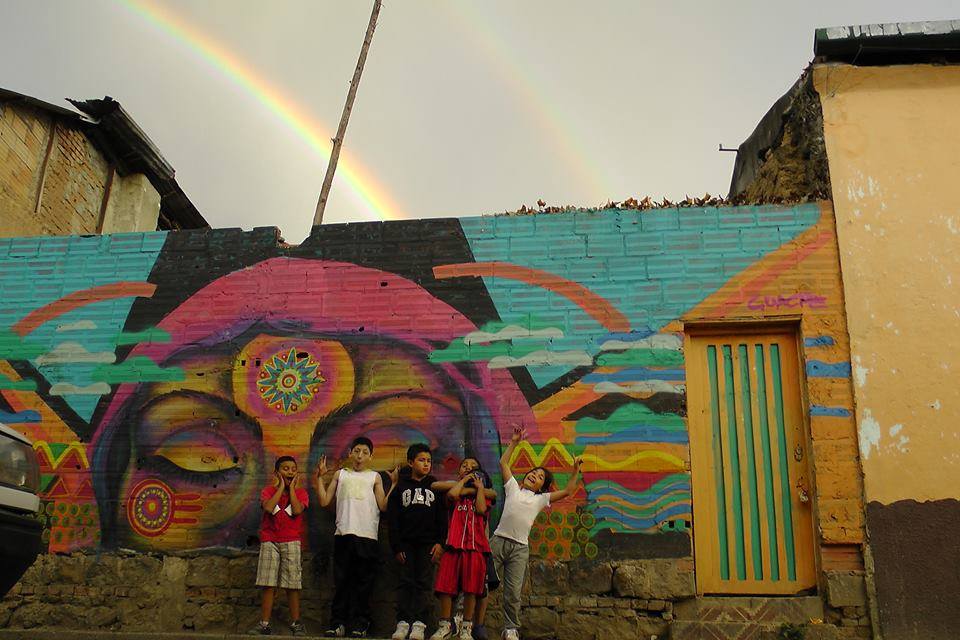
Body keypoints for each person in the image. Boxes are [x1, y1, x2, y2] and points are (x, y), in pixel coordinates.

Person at [491, 427, 582, 640]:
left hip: (519, 549)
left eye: (540, 476)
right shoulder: (513, 488)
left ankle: (510, 628)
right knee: (480, 581)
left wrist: (575, 470)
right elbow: (504, 463)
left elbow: (568, 491)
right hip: (498, 541)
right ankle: (466, 621)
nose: (535, 475)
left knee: (513, 592)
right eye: (533, 472)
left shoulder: (541, 499)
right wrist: (514, 442)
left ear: (542, 487)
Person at [314, 437, 398, 638]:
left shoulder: (374, 477)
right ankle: (338, 623)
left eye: (365, 452)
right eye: (357, 451)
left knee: (364, 583)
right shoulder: (340, 474)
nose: (360, 456)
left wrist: (394, 484)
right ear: (350, 453)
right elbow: (325, 501)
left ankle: (361, 624)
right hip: (343, 534)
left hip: (367, 536)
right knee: (341, 582)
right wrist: (319, 478)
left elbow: (383, 506)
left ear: (371, 457)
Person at [387, 444, 447, 640]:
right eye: (422, 460)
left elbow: (442, 518)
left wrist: (440, 543)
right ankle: (403, 623)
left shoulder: (435, 487)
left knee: (424, 583)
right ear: (411, 462)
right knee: (405, 582)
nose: (426, 464)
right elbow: (393, 519)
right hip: (405, 545)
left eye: (429, 461)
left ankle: (420, 624)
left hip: (428, 545)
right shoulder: (401, 488)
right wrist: (396, 546)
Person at [430, 461, 495, 640]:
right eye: (466, 468)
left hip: (476, 547)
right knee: (445, 586)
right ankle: (445, 625)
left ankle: (466, 627)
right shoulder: (456, 494)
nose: (472, 474)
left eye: (477, 474)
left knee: (471, 588)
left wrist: (479, 489)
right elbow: (451, 494)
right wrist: (465, 482)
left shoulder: (485, 496)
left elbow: (481, 509)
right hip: (453, 545)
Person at [250, 456, 309, 636]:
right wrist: (281, 487)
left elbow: (297, 510)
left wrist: (291, 489)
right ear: (276, 473)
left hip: (291, 541)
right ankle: (264, 624)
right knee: (268, 583)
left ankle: (296, 623)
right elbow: (268, 508)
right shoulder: (268, 491)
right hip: (270, 540)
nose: (290, 472)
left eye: (293, 469)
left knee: (292, 584)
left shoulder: (301, 493)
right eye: (285, 468)